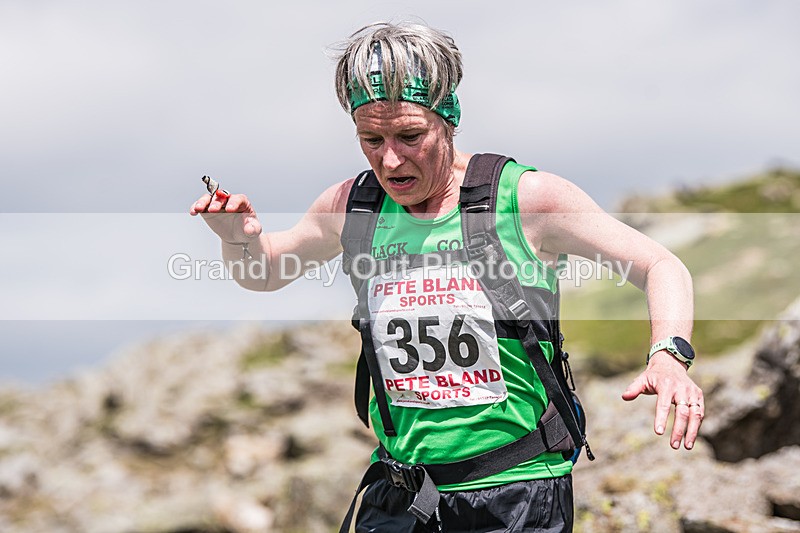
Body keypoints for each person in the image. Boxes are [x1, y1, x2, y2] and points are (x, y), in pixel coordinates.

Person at [190, 21, 704, 533]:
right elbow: (265, 270)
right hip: (402, 495)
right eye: (371, 139)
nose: (390, 159)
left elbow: (660, 265)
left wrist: (669, 355)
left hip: (517, 492)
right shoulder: (352, 206)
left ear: (448, 117)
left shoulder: (527, 199)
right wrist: (236, 238)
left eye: (410, 136)